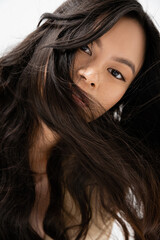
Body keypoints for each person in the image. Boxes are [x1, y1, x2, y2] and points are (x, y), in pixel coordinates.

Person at [0, 0, 160, 239]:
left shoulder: (94, 192)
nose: (91, 75)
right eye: (85, 47)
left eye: (116, 73)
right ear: (54, 31)